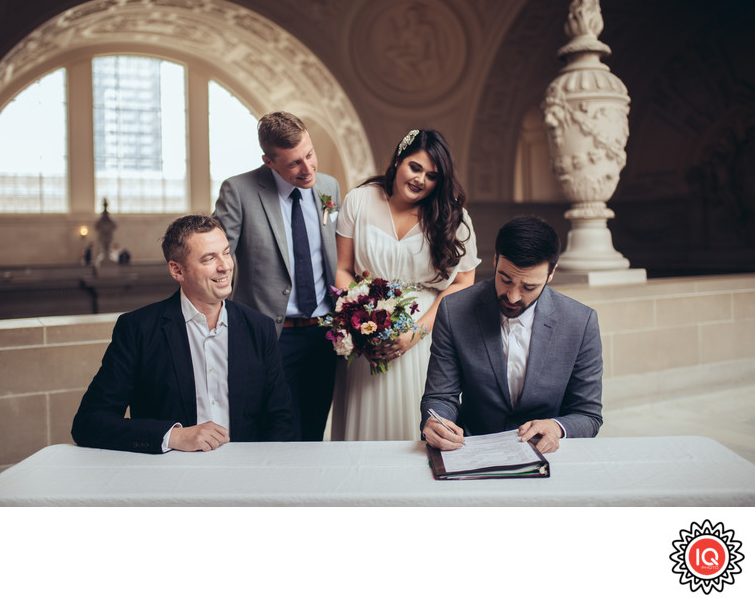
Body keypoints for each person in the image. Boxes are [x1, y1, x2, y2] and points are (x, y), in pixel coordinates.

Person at [71, 215, 296, 454]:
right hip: (169, 475)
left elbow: (281, 421)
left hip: (244, 473)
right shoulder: (138, 329)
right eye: (209, 258)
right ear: (177, 270)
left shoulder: (259, 327)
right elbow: (89, 422)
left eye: (226, 252)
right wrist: (173, 436)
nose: (225, 265)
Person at [332, 129, 481, 440]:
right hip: (368, 332)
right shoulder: (358, 200)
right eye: (415, 167)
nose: (421, 180)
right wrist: (360, 321)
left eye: (432, 175)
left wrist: (417, 331)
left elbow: (465, 281)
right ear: (398, 159)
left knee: (417, 422)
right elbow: (343, 269)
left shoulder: (454, 218)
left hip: (426, 332)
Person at [421, 215, 603, 454]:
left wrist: (557, 427)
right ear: (496, 260)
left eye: (529, 287)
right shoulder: (454, 310)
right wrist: (436, 422)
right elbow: (441, 396)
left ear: (551, 273)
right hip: (471, 450)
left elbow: (588, 414)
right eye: (505, 279)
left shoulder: (581, 321)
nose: (513, 296)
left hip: (547, 455)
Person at [213, 112, 339, 441]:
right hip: (269, 336)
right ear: (269, 161)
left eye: (310, 154)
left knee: (313, 430)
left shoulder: (329, 187)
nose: (308, 168)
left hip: (325, 335)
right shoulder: (238, 191)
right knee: (274, 433)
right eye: (294, 163)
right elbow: (214, 258)